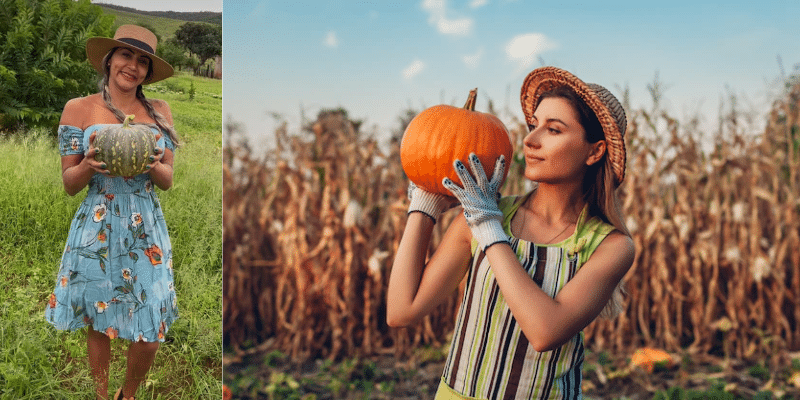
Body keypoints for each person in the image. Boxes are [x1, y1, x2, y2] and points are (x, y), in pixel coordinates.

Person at [387, 66, 635, 399]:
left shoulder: (610, 246)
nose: (530, 140)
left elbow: (545, 332)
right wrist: (424, 205)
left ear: (595, 151)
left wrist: (489, 230)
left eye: (553, 129)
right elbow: (402, 311)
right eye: (534, 125)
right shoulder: (484, 214)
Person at [45, 25, 180, 400]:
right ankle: (102, 395)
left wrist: (154, 164)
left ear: (147, 72)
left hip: (144, 225)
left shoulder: (160, 111)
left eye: (143, 61)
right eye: (125, 55)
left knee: (150, 330)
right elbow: (69, 183)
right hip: (97, 222)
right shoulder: (79, 108)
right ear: (109, 60)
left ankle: (128, 394)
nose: (133, 66)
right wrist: (88, 165)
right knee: (98, 318)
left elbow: (167, 180)